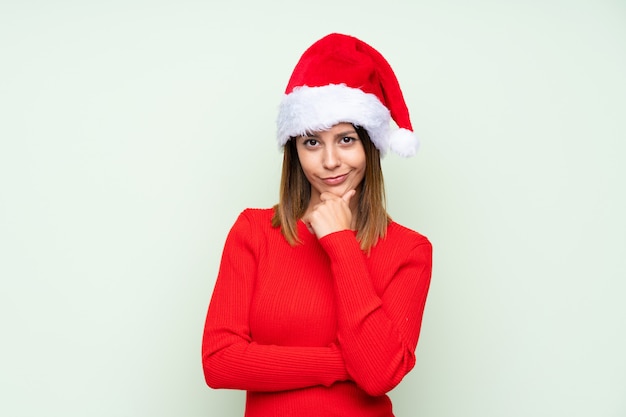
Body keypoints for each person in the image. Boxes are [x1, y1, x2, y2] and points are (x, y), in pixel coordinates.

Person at [201, 33, 433, 417]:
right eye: (312, 142)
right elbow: (220, 362)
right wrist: (341, 364)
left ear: (371, 147)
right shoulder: (254, 231)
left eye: (346, 139)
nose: (329, 161)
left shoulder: (409, 250)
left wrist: (341, 242)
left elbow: (376, 378)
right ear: (294, 150)